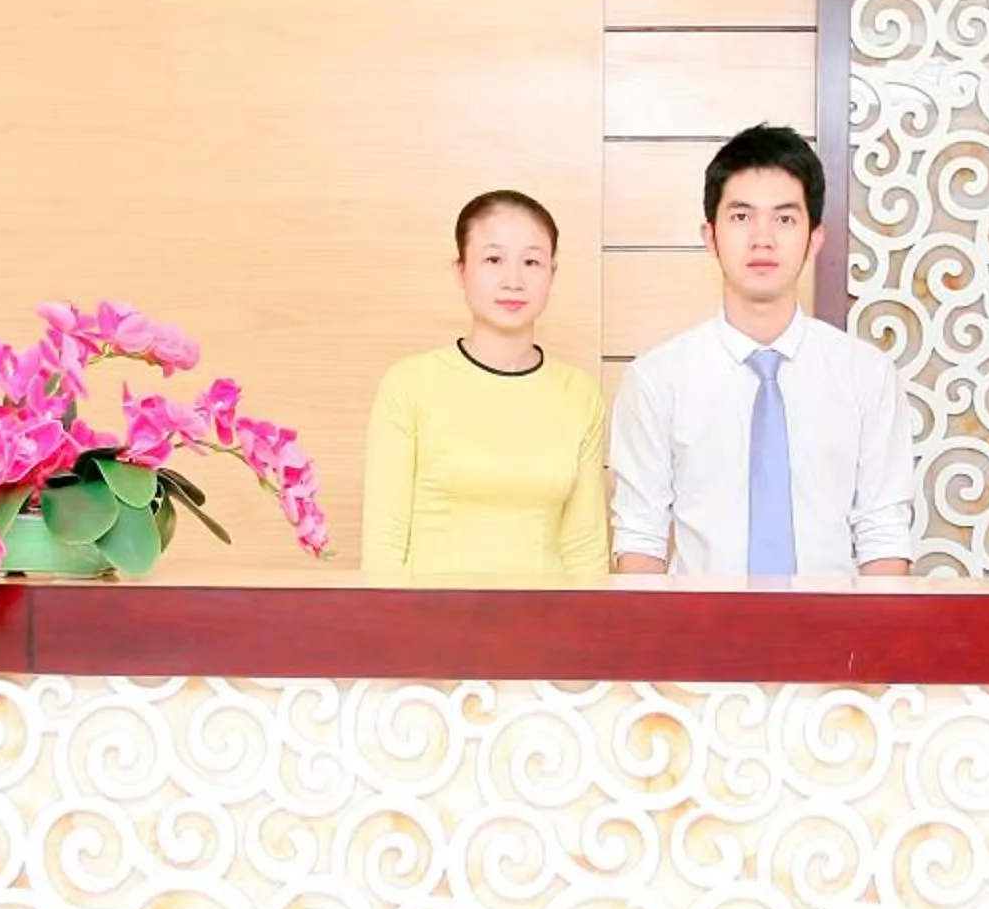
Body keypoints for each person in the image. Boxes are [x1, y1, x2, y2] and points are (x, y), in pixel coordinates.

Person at [610, 124, 914, 578]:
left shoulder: (867, 375)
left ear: (814, 239)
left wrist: (868, 647)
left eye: (785, 219)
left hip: (834, 638)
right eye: (741, 217)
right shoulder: (658, 379)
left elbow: (884, 536)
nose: (762, 239)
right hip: (699, 639)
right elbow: (640, 536)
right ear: (710, 236)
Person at [361, 190, 609, 581]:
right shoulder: (409, 384)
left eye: (531, 261)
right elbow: (384, 549)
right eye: (493, 259)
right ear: (462, 270)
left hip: (548, 632)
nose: (513, 280)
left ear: (552, 274)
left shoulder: (579, 394)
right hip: (432, 632)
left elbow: (584, 550)